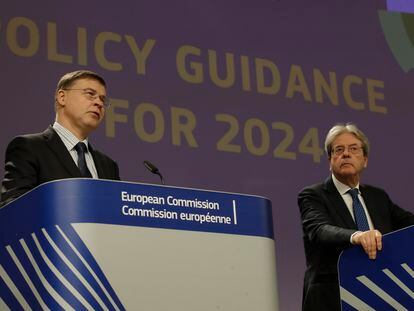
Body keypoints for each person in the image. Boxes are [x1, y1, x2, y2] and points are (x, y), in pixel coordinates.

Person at [298, 123, 414, 311]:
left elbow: (409, 224)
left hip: (381, 294)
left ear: (365, 159)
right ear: (330, 160)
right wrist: (357, 236)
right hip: (332, 297)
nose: (346, 154)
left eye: (353, 149)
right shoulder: (313, 195)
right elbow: (319, 230)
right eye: (339, 150)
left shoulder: (378, 197)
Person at [0, 70, 120, 207]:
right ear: (62, 97)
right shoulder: (30, 147)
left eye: (103, 100)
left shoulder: (108, 165)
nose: (99, 103)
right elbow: (13, 206)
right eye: (90, 94)